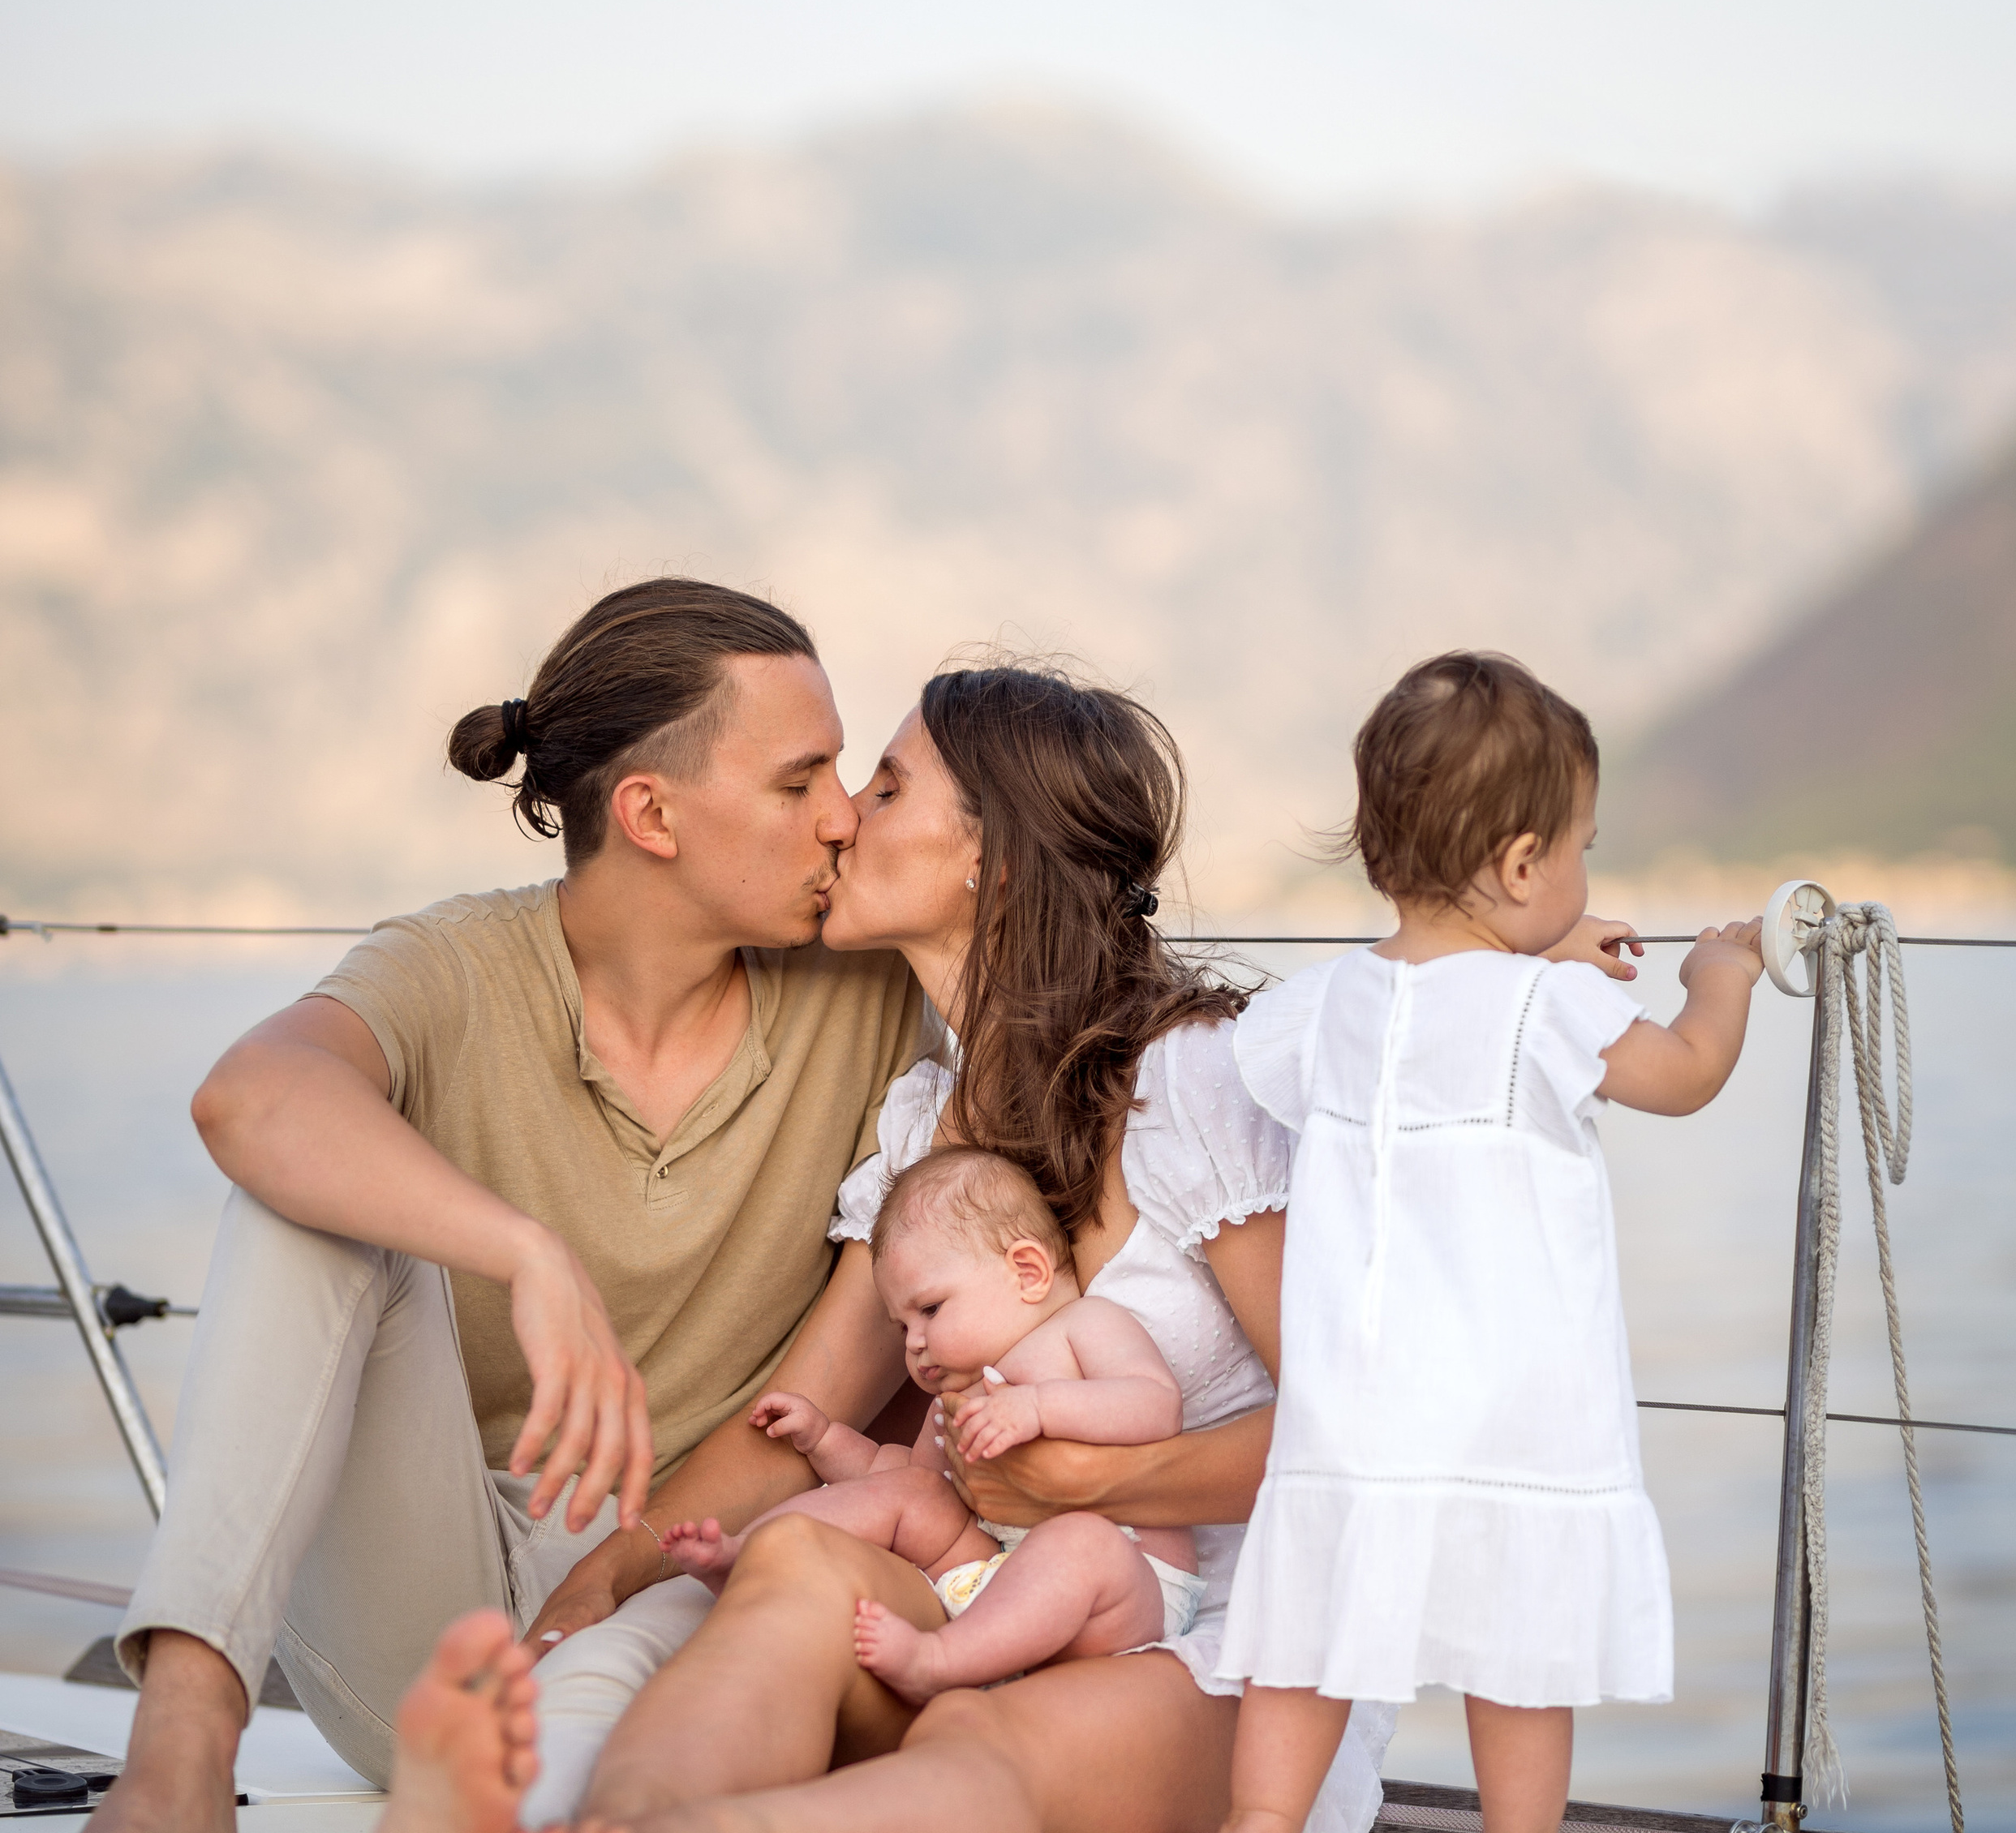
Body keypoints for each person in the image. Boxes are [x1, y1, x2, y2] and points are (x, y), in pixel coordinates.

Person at [384, 658, 1639, 1833]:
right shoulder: (925, 1125)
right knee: (799, 1576)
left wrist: (1094, 1487)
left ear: (990, 855)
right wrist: (615, 1567)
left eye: (884, 789)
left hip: (1224, 1648)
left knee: (982, 1749)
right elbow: (799, 1413)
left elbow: (1355, 1432)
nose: (841, 820)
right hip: (986, 1603)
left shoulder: (1192, 1087)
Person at [92, 578, 928, 1833]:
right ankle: (180, 1751)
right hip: (424, 1600)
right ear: (651, 814)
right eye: (798, 781)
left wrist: (618, 1564)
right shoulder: (457, 966)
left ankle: (479, 1799)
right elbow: (249, 1100)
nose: (840, 821)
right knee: (305, 1200)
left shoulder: (868, 1001)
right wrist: (524, 1253)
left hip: (674, 1583)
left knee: (610, 1758)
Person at [1213, 652, 1765, 1833]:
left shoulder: (1324, 1008)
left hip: (1355, 1425)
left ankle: (1258, 1824)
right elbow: (1685, 1075)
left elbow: (1427, 1002)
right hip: (1510, 1419)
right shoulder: (1548, 1009)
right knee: (1518, 1658)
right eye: (1581, 846)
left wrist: (1527, 959)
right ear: (1523, 865)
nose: (1581, 869)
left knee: (1308, 1643)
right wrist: (1722, 976)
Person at [662, 1146, 1205, 1705]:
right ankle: (750, 1554)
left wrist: (1039, 1408)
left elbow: (1156, 1405)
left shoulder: (1085, 1325)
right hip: (995, 1579)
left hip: (1125, 1585)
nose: (914, 1343)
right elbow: (901, 1476)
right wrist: (824, 1439)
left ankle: (937, 1662)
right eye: (901, 1328)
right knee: (914, 1495)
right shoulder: (958, 1395)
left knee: (1082, 1542)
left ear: (1028, 1271)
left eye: (931, 1310)